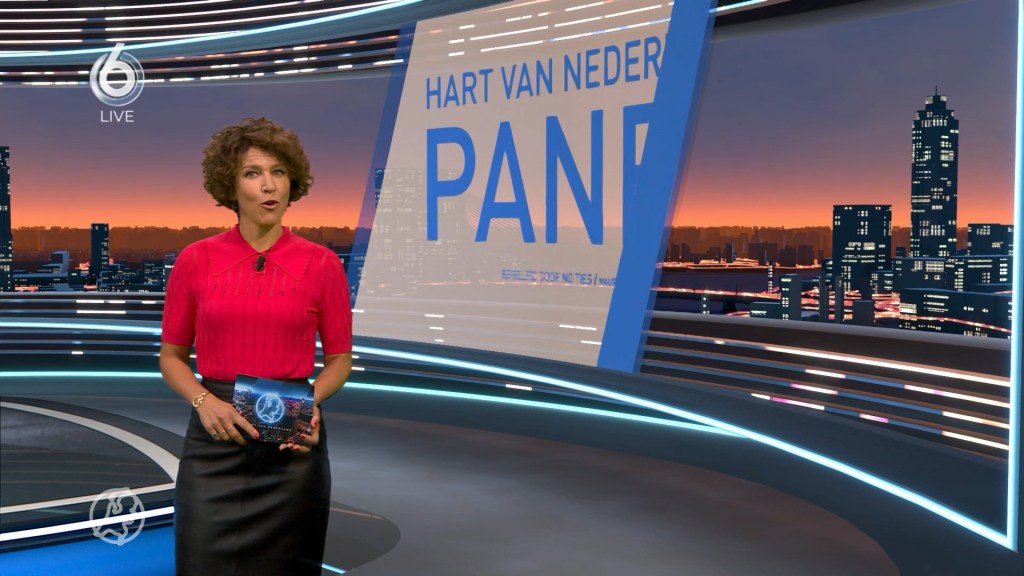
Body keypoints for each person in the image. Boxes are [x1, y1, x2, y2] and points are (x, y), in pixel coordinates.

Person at [159, 117, 352, 575]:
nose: (269, 185)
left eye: (278, 172)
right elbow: (171, 357)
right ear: (230, 185)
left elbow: (340, 360)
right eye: (253, 173)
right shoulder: (196, 260)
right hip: (215, 435)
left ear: (292, 182)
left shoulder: (322, 264)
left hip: (291, 442)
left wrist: (309, 404)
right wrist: (204, 401)